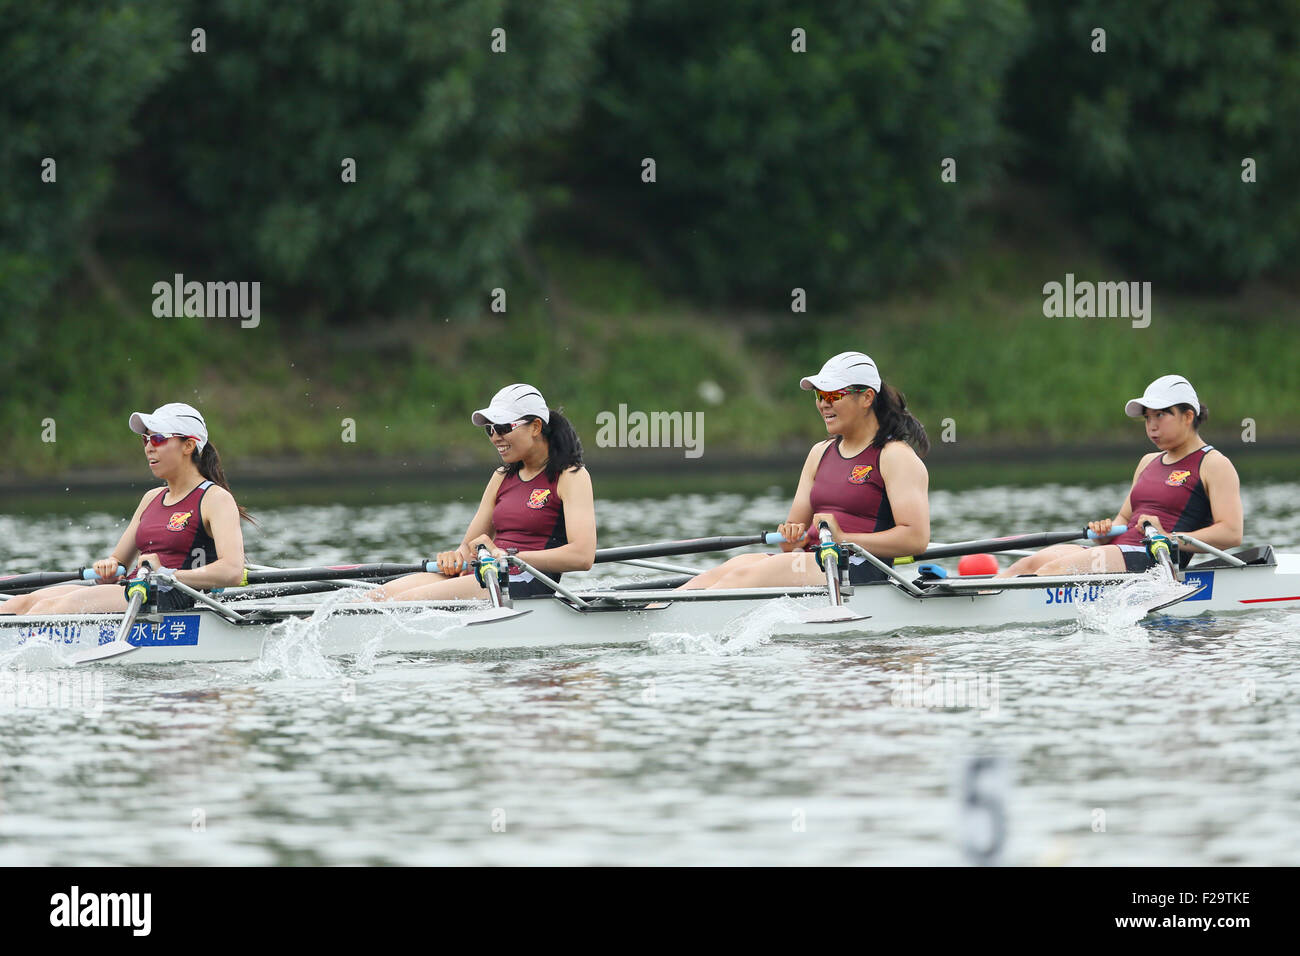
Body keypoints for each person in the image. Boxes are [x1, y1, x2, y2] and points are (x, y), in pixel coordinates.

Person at [683, 351, 929, 590]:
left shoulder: (895, 456)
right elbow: (791, 543)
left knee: (741, 577)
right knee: (722, 572)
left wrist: (842, 538)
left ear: (866, 398)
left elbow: (916, 539)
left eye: (833, 395)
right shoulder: (819, 453)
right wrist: (791, 536)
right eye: (820, 395)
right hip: (812, 561)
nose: (823, 404)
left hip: (856, 567)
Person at [1, 403, 249, 614]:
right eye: (145, 439)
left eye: (158, 439)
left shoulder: (216, 499)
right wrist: (108, 568)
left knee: (49, 608)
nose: (149, 447)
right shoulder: (151, 498)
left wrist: (166, 573)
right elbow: (119, 561)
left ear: (188, 445)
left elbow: (232, 571)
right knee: (18, 604)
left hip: (174, 598)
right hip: (135, 591)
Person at [370, 384, 596, 601]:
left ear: (536, 427)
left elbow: (582, 556)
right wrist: (454, 557)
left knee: (405, 601)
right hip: (486, 572)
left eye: (503, 428)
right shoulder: (501, 476)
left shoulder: (571, 476)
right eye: (490, 429)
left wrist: (509, 557)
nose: (495, 437)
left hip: (525, 578)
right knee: (375, 598)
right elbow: (467, 548)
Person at [999, 375, 1242, 576]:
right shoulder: (1147, 462)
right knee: (1026, 565)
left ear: (1188, 416)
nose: (1151, 425)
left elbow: (1231, 533)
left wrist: (1170, 538)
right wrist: (1105, 531)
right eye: (1147, 417)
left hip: (1154, 560)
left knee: (1053, 571)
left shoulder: (1214, 464)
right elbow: (1124, 520)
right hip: (1117, 552)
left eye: (1160, 415)